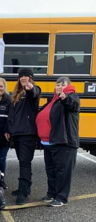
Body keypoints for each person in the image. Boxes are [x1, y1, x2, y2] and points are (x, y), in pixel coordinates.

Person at [36, 76, 79, 207]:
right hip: (49, 142)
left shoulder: (71, 97)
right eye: (57, 84)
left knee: (62, 171)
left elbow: (73, 105)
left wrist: (65, 97)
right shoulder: (53, 100)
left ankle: (61, 197)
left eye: (62, 84)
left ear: (68, 86)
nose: (59, 86)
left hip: (63, 142)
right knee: (51, 169)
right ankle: (52, 193)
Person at [5, 68, 41, 205]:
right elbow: (11, 114)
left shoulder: (34, 90)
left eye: (27, 76)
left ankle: (22, 193)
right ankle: (26, 188)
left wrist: (30, 88)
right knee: (22, 161)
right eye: (21, 76)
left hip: (28, 133)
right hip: (16, 133)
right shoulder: (16, 94)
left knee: (25, 163)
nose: (24, 78)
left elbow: (35, 93)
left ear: (31, 78)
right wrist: (8, 129)